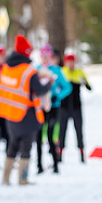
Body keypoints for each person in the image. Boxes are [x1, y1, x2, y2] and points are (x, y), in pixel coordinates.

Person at [0, 35, 52, 185]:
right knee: (26, 147)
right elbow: (38, 90)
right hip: (26, 115)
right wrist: (49, 83)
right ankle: (23, 178)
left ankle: (5, 178)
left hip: (10, 113)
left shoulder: (6, 67)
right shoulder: (28, 71)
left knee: (12, 145)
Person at [35, 44, 72, 173]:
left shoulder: (56, 70)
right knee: (38, 136)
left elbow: (67, 87)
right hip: (39, 108)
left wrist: (58, 96)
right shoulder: (36, 70)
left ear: (50, 56)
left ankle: (55, 165)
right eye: (42, 56)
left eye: (47, 56)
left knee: (51, 136)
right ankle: (39, 166)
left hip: (53, 107)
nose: (44, 59)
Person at [60, 52, 92, 163]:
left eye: (72, 61)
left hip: (76, 106)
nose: (70, 64)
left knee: (79, 130)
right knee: (62, 131)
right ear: (65, 62)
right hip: (63, 107)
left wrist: (84, 82)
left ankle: (82, 154)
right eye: (68, 61)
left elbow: (89, 87)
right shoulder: (62, 72)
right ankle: (59, 155)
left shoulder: (79, 72)